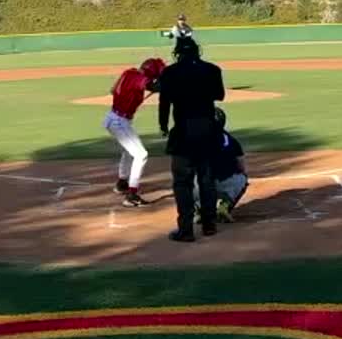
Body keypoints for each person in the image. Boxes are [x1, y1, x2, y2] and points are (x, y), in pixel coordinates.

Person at [157, 36, 225, 242]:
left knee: (182, 183)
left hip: (184, 132)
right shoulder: (213, 70)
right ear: (198, 51)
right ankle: (209, 225)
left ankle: (185, 229)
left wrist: (163, 126)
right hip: (207, 129)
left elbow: (164, 104)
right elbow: (220, 96)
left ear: (177, 53)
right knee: (207, 180)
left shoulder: (169, 73)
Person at [105, 57, 166, 207]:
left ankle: (122, 183)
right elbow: (153, 85)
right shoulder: (139, 78)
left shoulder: (129, 73)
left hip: (116, 118)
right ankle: (132, 195)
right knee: (141, 155)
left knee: (128, 151)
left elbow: (113, 90)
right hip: (119, 121)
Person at [211, 108, 248, 223]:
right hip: (226, 186)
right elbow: (241, 167)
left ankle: (199, 209)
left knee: (186, 178)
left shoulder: (197, 140)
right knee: (243, 178)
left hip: (200, 188)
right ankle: (225, 206)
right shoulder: (232, 141)